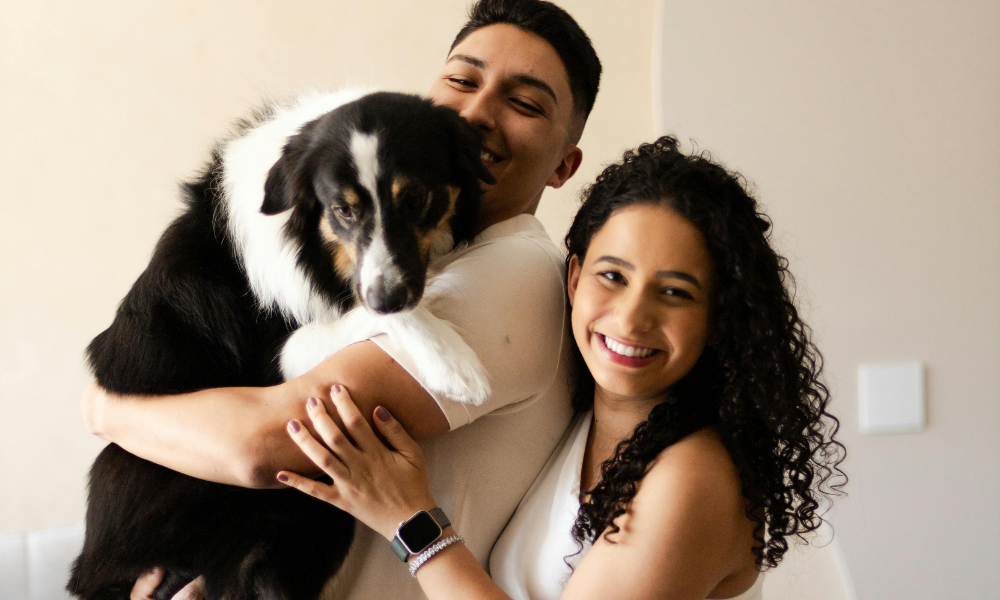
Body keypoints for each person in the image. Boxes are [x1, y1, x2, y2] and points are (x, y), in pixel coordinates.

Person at [81, 1, 603, 599]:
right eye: (462, 79)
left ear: (565, 164)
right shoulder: (435, 259)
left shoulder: (512, 272)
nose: (479, 111)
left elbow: (268, 443)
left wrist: (108, 411)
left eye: (525, 102)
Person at [276, 137, 847, 599]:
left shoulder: (693, 479)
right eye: (613, 276)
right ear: (573, 278)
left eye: (674, 292)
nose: (632, 318)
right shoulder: (575, 420)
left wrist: (412, 521)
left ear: (718, 318)